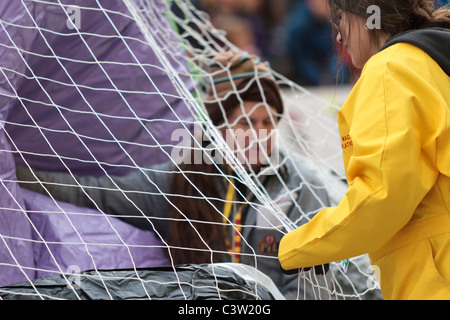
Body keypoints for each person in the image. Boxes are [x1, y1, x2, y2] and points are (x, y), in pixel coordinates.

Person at [17, 52, 332, 299]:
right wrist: (12, 175)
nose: (259, 134)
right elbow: (97, 192)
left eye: (268, 122)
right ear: (216, 128)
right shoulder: (185, 180)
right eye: (246, 123)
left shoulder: (300, 185)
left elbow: (311, 284)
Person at [278, 0, 450, 300]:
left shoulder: (391, 68)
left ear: (367, 14)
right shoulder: (433, 58)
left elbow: (380, 197)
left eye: (339, 19)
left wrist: (290, 248)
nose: (339, 37)